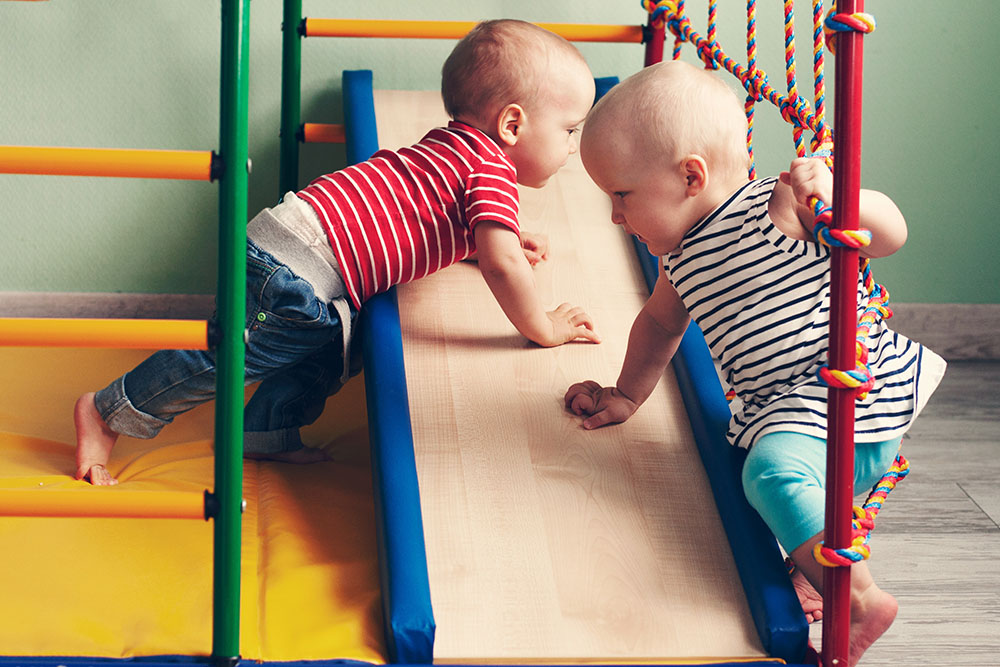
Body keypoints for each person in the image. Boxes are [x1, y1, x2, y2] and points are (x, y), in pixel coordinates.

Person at [75, 19, 601, 486]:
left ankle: (266, 433)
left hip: (292, 256)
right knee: (230, 357)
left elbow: (420, 214)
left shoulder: (455, 146)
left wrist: (483, 239)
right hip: (290, 274)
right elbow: (501, 265)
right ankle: (107, 411)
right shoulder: (492, 169)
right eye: (570, 130)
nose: (572, 146)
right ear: (512, 125)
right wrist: (544, 326)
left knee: (337, 345)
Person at [563, 61, 945, 667]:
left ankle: (861, 599)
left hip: (845, 392)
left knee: (766, 474)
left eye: (621, 196)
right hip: (782, 407)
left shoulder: (779, 206)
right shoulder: (683, 258)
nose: (614, 216)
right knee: (751, 480)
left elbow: (891, 233)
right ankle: (809, 570)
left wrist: (840, 198)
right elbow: (661, 323)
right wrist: (628, 395)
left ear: (691, 175)